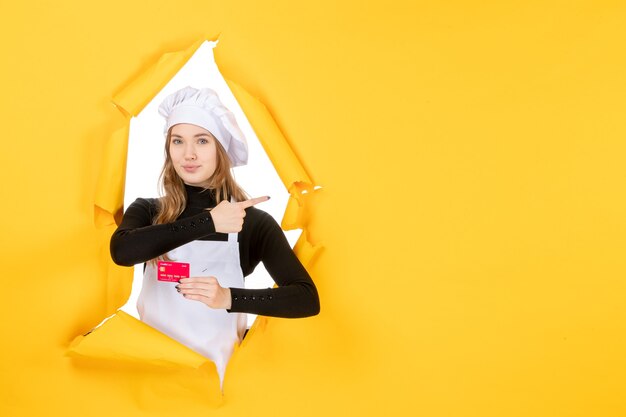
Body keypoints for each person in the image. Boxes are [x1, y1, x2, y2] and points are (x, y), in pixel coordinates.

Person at [109, 86, 320, 383]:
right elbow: (123, 252)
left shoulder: (252, 224)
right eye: (178, 141)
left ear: (220, 149)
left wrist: (228, 297)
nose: (189, 154)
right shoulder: (148, 211)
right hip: (151, 386)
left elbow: (305, 299)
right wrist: (209, 222)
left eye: (202, 140)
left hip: (216, 395)